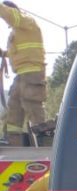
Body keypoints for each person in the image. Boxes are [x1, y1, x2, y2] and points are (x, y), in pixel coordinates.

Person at [0, 2, 45, 146]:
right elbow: (19, 53)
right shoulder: (18, 31)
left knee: (33, 109)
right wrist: (4, 54)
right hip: (21, 75)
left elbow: (10, 15)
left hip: (32, 73)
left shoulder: (26, 21)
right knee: (14, 111)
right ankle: (13, 145)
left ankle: (45, 143)